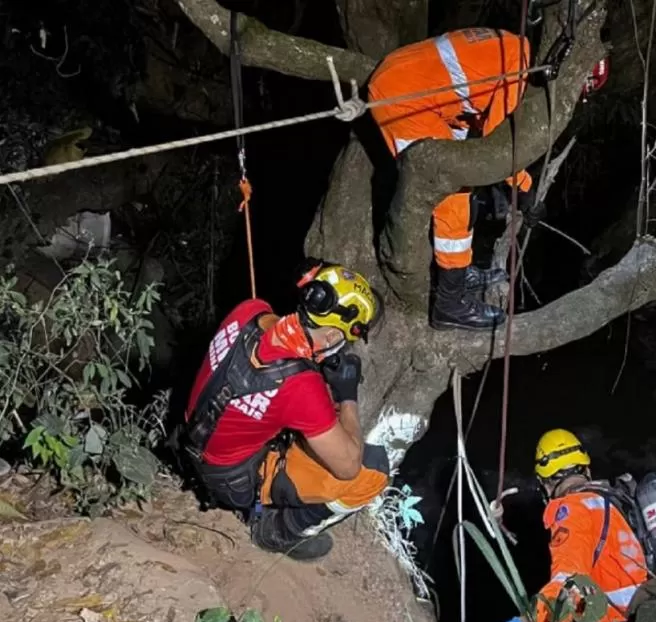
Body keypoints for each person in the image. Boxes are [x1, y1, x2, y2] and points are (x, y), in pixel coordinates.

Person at [179, 260, 389, 561]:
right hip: (233, 480)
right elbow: (348, 466)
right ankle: (277, 532)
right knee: (372, 471)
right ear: (331, 337)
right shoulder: (301, 387)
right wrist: (348, 395)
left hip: (194, 440)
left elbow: (271, 352)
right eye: (343, 339)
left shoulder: (250, 310)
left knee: (307, 419)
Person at [366, 27, 546, 331]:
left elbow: (482, 111)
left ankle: (460, 274)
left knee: (464, 180)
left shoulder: (517, 47)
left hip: (426, 94)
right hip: (404, 97)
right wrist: (526, 191)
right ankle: (450, 305)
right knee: (452, 193)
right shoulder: (520, 67)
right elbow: (498, 148)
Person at [493, 429, 649, 622]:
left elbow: (568, 586)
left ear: (545, 484)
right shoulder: (615, 503)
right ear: (586, 469)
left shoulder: (573, 511)